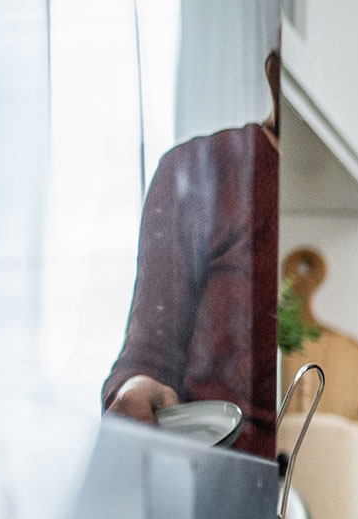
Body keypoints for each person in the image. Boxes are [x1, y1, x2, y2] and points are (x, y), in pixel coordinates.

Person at [103, 53, 280, 457]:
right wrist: (136, 391)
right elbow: (148, 359)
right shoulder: (206, 170)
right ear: (273, 70)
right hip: (210, 477)